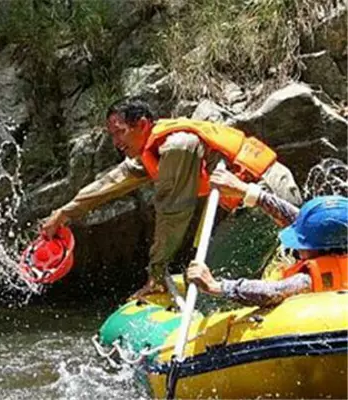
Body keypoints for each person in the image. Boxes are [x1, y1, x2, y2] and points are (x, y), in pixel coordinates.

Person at [41, 97, 303, 298]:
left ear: (142, 125)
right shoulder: (149, 150)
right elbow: (109, 183)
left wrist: (156, 272)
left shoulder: (177, 146)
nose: (116, 142)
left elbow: (173, 213)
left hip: (269, 197)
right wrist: (63, 214)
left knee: (210, 278)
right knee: (213, 270)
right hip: (251, 205)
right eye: (112, 135)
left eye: (119, 132)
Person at [186, 170, 347, 307]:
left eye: (302, 244)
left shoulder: (306, 281)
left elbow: (272, 292)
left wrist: (217, 286)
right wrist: (247, 191)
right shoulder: (337, 239)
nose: (297, 248)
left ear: (323, 249)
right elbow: (297, 219)